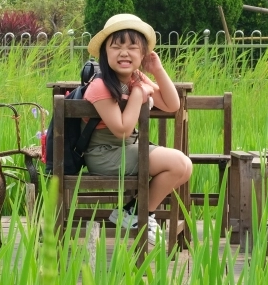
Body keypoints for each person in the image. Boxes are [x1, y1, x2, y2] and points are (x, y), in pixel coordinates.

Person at [82, 14, 193, 243]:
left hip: (127, 149)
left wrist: (158, 70)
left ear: (142, 55)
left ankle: (134, 211)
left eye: (133, 47)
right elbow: (122, 130)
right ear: (105, 54)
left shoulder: (136, 78)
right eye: (116, 47)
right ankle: (137, 213)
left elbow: (172, 105)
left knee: (183, 167)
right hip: (103, 154)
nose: (124, 52)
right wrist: (139, 94)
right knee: (179, 163)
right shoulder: (100, 86)